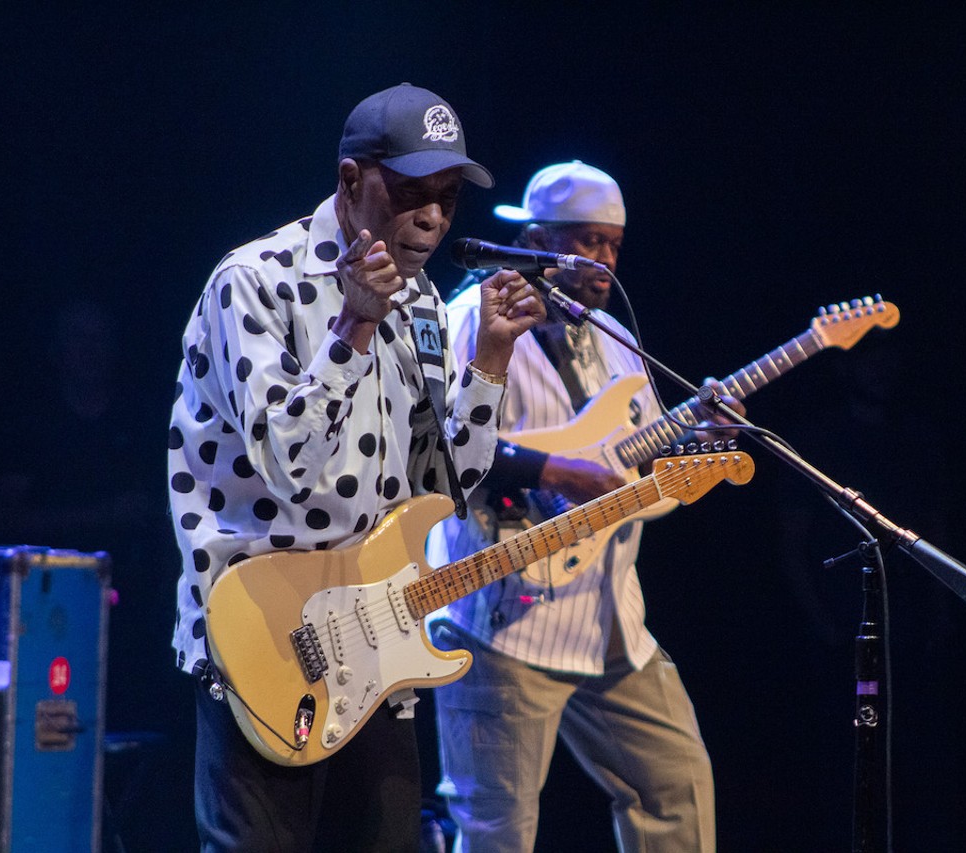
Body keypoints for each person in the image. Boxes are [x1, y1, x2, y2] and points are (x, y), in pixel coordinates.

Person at [166, 83, 546, 852]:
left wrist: (491, 364)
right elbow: (285, 463)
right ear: (350, 181)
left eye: (445, 198)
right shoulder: (254, 280)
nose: (433, 218)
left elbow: (443, 490)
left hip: (375, 640)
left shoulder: (427, 305)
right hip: (263, 632)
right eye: (410, 193)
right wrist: (353, 325)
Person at [426, 161, 729, 852]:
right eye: (587, 242)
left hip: (609, 618)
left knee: (677, 787)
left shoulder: (615, 337)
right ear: (536, 238)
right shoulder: (472, 317)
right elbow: (437, 448)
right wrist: (551, 467)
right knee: (497, 827)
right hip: (501, 620)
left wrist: (699, 434)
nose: (603, 260)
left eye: (613, 245)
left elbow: (638, 457)